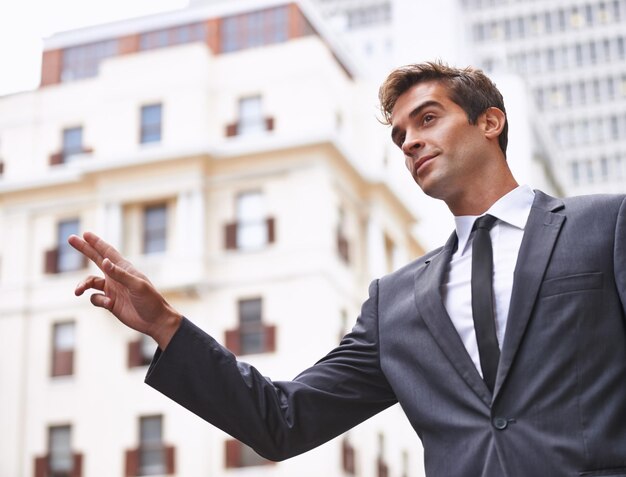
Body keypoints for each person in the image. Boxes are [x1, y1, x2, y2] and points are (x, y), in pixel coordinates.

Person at [69, 62, 626, 476]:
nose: (410, 142)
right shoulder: (398, 301)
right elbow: (282, 420)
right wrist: (166, 325)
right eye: (400, 136)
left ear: (490, 122)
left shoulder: (604, 225)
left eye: (427, 119)